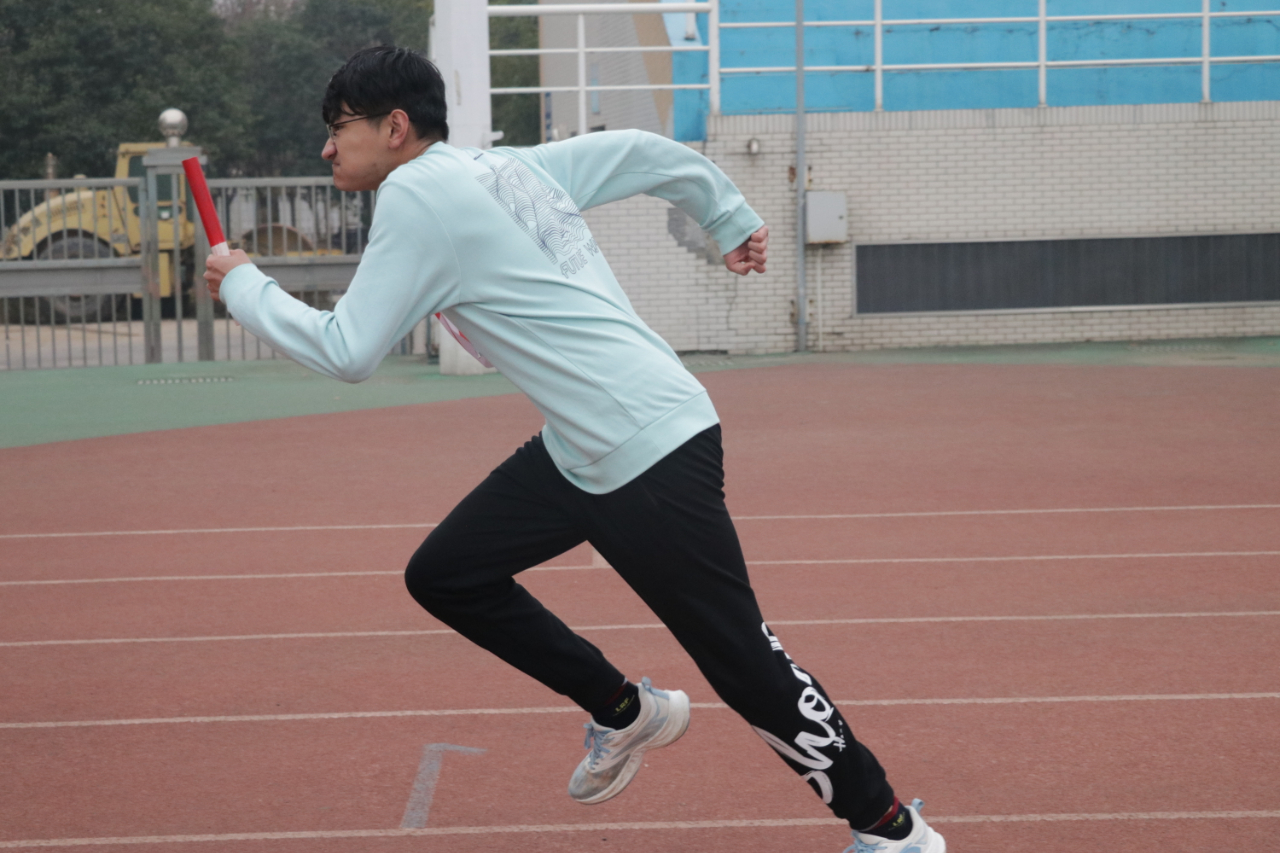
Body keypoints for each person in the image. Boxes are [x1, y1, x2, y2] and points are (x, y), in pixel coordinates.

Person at [203, 45, 944, 853]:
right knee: (447, 573)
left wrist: (243, 283)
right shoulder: (504, 167)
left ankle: (893, 830)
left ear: (395, 126)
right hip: (586, 446)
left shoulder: (415, 192)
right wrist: (729, 219)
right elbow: (646, 154)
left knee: (742, 659)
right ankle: (627, 710)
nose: (326, 147)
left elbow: (347, 350)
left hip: (644, 448)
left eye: (337, 127)